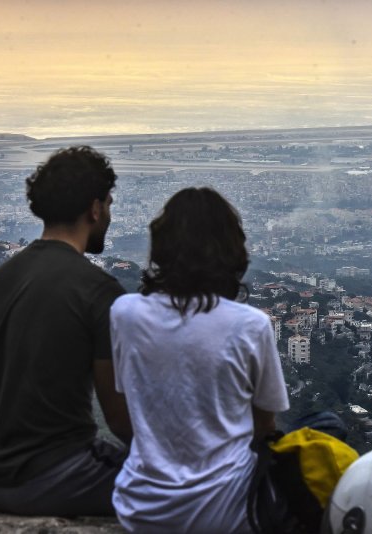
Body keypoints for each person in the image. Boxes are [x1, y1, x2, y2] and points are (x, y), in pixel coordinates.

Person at [110, 187, 290, 533]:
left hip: (142, 508)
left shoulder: (125, 314)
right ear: (232, 250)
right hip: (228, 512)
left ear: (161, 246)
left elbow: (129, 401)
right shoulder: (251, 324)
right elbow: (265, 427)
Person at [0, 146, 132, 516]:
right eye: (108, 203)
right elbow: (120, 418)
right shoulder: (98, 291)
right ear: (94, 208)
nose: (108, 214)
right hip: (56, 476)